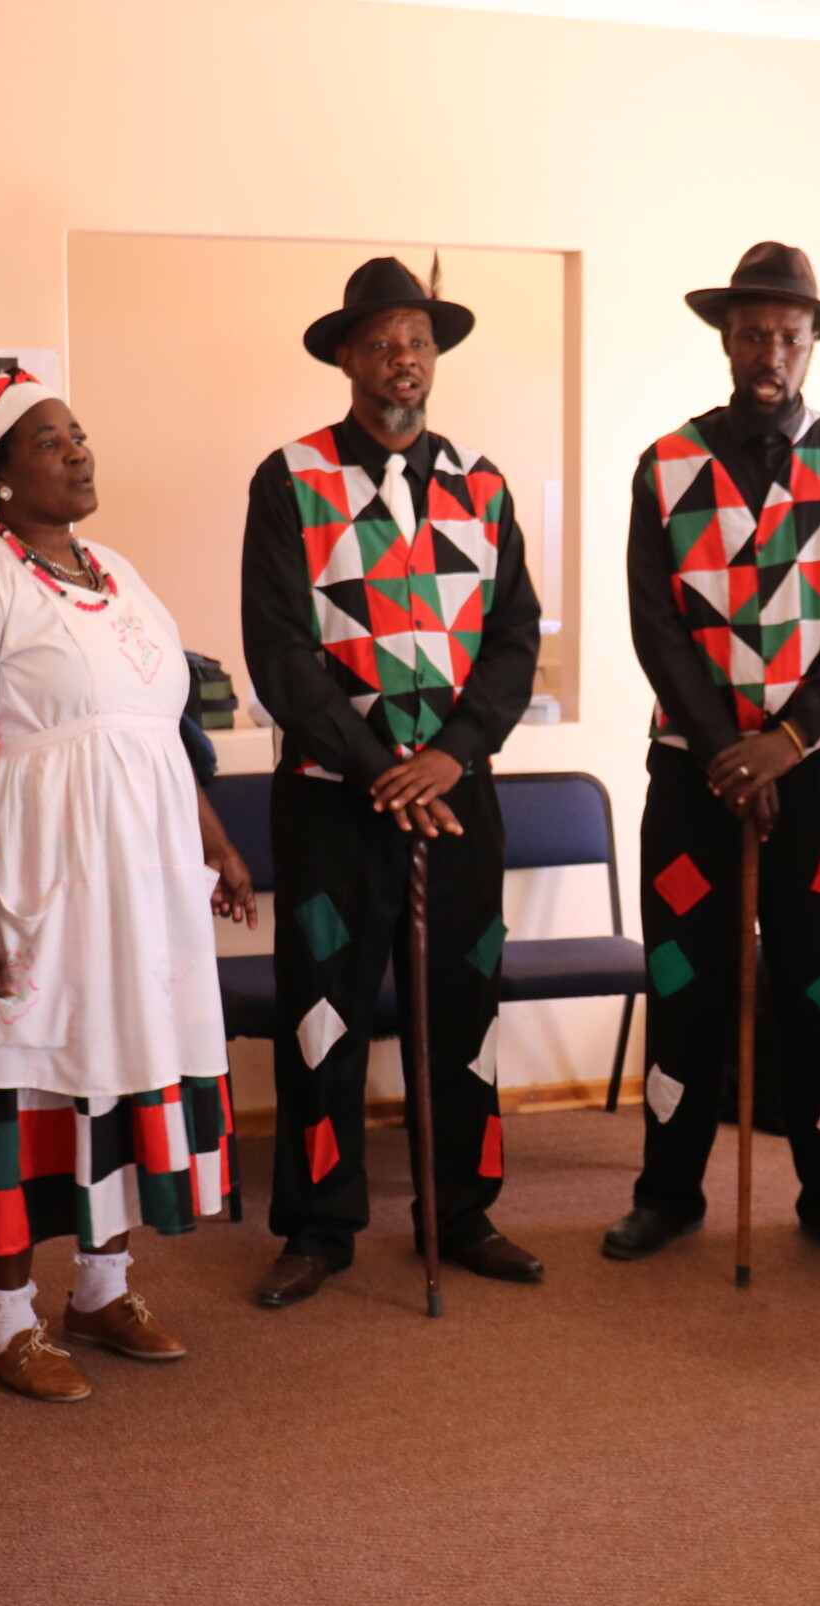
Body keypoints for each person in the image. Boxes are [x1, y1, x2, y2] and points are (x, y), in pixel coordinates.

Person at [0, 371, 251, 1400]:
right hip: (38, 871)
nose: (78, 450)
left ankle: (102, 1288)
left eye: (79, 433)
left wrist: (217, 843)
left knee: (123, 1061)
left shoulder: (122, 574)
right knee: (26, 1073)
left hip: (144, 882)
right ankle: (8, 1318)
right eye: (50, 441)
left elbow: (159, 739)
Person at [241, 256, 544, 1308]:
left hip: (459, 797)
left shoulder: (484, 483)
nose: (400, 359)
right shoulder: (290, 478)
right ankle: (319, 1228)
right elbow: (278, 652)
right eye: (378, 342)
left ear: (433, 354)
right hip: (334, 797)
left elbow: (514, 638)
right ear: (345, 358)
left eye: (414, 339)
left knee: (464, 1010)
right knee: (321, 1013)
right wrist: (385, 771)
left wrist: (448, 759)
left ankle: (462, 1212)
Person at [604, 242, 820, 1271]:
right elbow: (655, 624)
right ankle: (667, 1190)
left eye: (789, 332)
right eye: (751, 330)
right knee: (683, 980)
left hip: (817, 768)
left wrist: (781, 744)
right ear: (724, 339)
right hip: (694, 765)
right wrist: (731, 755)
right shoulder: (667, 462)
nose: (769, 348)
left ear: (812, 342)